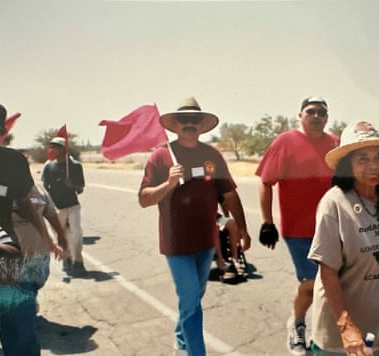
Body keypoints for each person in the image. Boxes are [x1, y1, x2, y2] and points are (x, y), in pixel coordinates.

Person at [138, 97, 251, 355]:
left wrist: (242, 229)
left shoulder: (212, 155)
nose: (189, 124)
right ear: (175, 125)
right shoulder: (161, 156)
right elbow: (144, 199)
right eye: (184, 121)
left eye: (194, 121)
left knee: (194, 298)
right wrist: (168, 183)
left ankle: (181, 335)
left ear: (202, 125)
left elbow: (229, 195)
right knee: (190, 300)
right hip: (175, 244)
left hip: (206, 242)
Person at [0, 99, 63, 355]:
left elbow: (24, 201)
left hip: (6, 254)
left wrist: (45, 238)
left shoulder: (13, 161)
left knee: (20, 331)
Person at [308, 120, 379, 356]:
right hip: (343, 339)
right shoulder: (334, 203)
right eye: (362, 159)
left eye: (378, 158)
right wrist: (346, 327)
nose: (372, 165)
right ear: (347, 165)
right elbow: (328, 269)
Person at [255, 97, 340, 355]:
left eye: (321, 113)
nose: (316, 116)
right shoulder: (285, 141)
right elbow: (266, 181)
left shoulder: (335, 144)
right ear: (300, 115)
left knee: (338, 284)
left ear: (327, 118)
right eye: (310, 111)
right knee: (310, 284)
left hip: (334, 229)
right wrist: (267, 222)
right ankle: (298, 324)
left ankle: (329, 334)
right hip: (299, 230)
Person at [12, 182, 68, 294]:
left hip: (40, 253)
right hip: (15, 255)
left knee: (37, 283)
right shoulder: (1, 190)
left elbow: (51, 214)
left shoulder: (38, 189)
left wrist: (61, 237)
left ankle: (31, 300)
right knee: (21, 289)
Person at [42, 136, 86, 277]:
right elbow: (45, 185)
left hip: (72, 205)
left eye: (55, 147)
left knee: (76, 233)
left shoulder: (75, 166)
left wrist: (71, 185)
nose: (52, 149)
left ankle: (78, 261)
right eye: (51, 147)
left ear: (63, 149)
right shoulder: (49, 166)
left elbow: (80, 188)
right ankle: (66, 259)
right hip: (56, 207)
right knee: (61, 235)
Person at [214, 199, 246, 281]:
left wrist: (226, 217)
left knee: (232, 223)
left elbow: (223, 201)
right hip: (197, 221)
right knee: (215, 228)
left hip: (214, 217)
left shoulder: (211, 187)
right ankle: (220, 261)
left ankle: (234, 258)